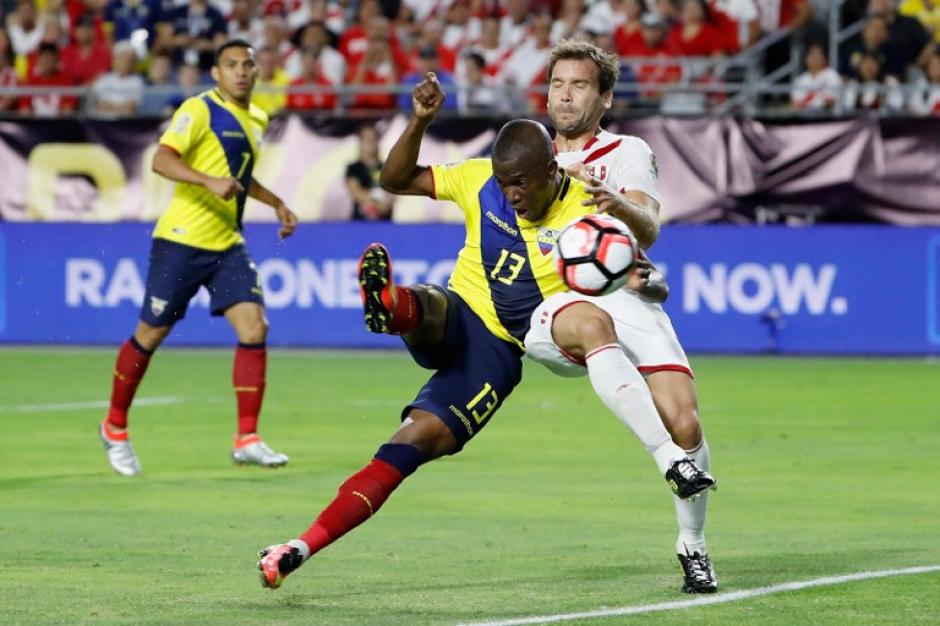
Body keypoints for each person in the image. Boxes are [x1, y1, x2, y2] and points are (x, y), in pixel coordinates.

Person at [256, 72, 714, 590]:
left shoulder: (587, 213)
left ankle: (298, 548)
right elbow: (395, 179)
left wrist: (645, 281)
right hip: (459, 312)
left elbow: (640, 273)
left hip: (495, 356)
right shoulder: (479, 179)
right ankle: (391, 306)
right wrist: (419, 121)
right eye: (504, 183)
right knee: (432, 304)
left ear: (551, 170)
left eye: (522, 183)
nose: (511, 194)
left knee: (408, 445)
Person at [522, 38, 720, 593]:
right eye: (558, 84)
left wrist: (618, 204)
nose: (565, 96)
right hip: (555, 300)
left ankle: (693, 544)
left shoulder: (627, 151)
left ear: (605, 97)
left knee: (686, 423)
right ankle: (668, 461)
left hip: (624, 294)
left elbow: (648, 228)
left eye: (580, 85)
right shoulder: (528, 156)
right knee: (589, 326)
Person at [98, 39, 298, 477]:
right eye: (231, 65)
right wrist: (207, 180)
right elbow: (161, 159)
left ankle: (247, 439)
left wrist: (277, 203)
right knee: (151, 333)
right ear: (216, 73)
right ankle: (114, 426)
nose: (241, 71)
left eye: (247, 64)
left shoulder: (258, 117)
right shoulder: (200, 109)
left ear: (256, 72)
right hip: (182, 240)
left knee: (255, 326)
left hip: (227, 242)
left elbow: (240, 176)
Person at [344, 124, 394, 220]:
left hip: (385, 223)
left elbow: (392, 195)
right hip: (360, 223)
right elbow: (356, 193)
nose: (370, 142)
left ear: (378, 140)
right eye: (366, 138)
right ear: (360, 142)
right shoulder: (353, 168)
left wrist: (383, 205)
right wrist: (377, 200)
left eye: (373, 138)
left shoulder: (387, 168)